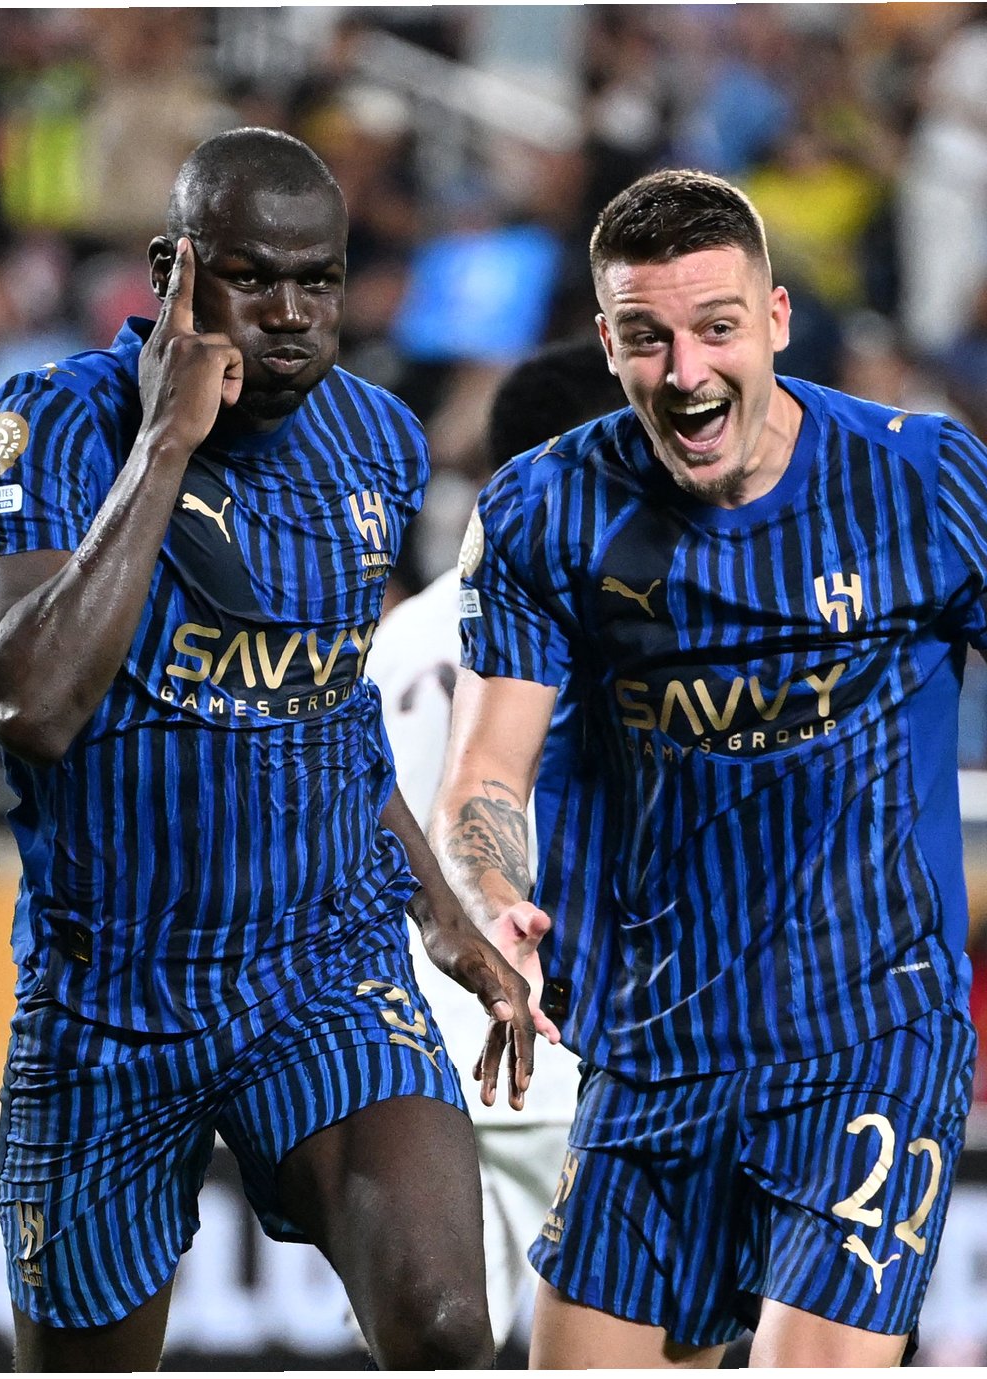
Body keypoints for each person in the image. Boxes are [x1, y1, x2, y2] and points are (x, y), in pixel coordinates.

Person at [432, 169, 987, 1368]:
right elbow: (485, 769)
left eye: (717, 327)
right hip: (650, 1048)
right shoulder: (543, 509)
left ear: (776, 318)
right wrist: (491, 902)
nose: (686, 372)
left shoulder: (923, 479)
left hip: (870, 1034)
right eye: (647, 337)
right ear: (608, 343)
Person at [0, 127, 541, 1370]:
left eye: (317, 280)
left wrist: (444, 918)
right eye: (250, 276)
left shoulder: (377, 440)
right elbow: (32, 704)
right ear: (170, 272)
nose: (289, 313)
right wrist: (164, 443)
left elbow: (331, 714)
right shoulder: (54, 423)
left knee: (448, 1326)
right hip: (109, 996)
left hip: (320, 969)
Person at [365, 334, 624, 1349]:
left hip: (424, 1044)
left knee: (434, 1343)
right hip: (574, 1036)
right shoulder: (600, 625)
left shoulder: (401, 635)